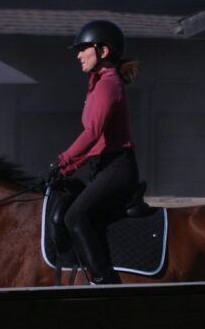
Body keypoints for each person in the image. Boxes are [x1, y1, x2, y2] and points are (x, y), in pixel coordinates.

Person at [51, 20, 140, 285]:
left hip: (117, 169)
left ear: (102, 51)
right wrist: (65, 169)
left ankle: (103, 281)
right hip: (102, 167)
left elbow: (92, 133)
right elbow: (96, 141)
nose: (78, 55)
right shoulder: (96, 84)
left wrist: (64, 160)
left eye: (83, 48)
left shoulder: (108, 84)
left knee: (74, 215)